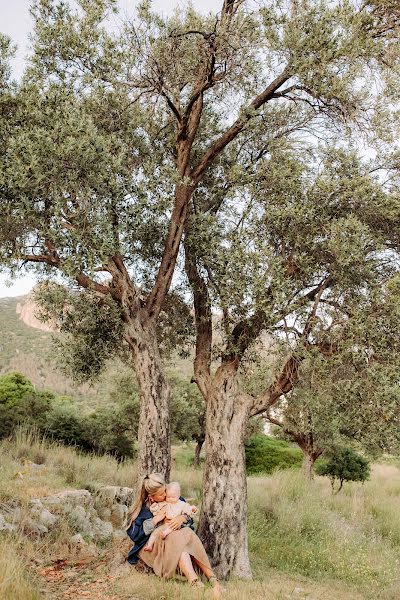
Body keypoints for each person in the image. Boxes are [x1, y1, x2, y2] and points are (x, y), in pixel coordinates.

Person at [126, 472, 220, 595]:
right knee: (178, 536)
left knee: (185, 532)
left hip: (174, 539)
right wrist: (157, 518)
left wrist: (183, 518)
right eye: (161, 494)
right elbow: (135, 536)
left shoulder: (173, 497)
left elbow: (187, 514)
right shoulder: (143, 509)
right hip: (152, 546)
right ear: (151, 496)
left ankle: (212, 579)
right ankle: (194, 579)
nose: (166, 495)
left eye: (165, 490)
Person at [143, 481, 198, 551]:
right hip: (164, 525)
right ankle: (150, 545)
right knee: (155, 532)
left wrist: (192, 510)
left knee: (171, 528)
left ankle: (165, 533)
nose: (170, 499)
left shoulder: (181, 504)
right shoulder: (164, 503)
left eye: (173, 497)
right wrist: (154, 507)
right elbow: (157, 509)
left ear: (178, 496)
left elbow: (188, 510)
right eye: (168, 497)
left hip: (174, 524)